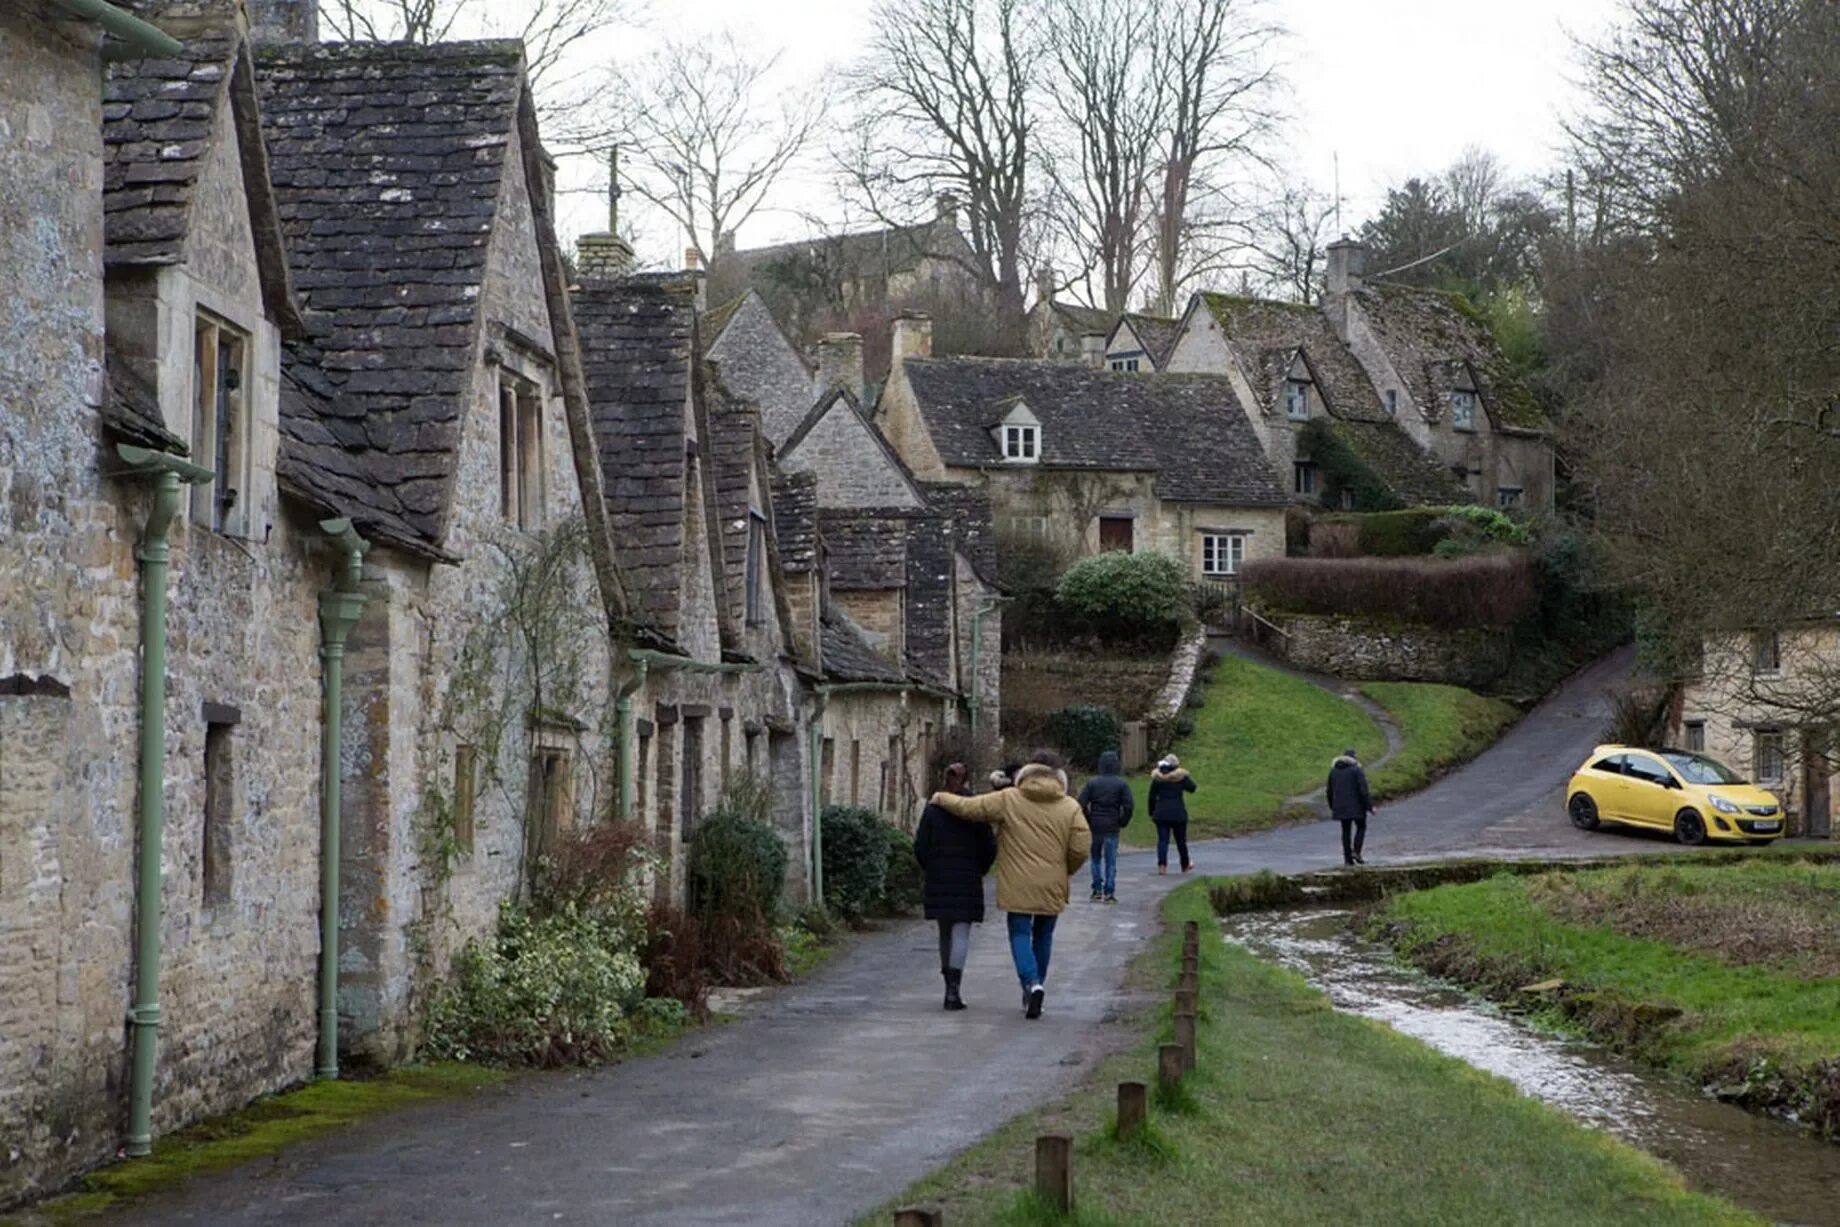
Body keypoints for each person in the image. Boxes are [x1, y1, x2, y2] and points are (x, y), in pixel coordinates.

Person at [928, 750, 1090, 1020]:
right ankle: (1036, 986)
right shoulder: (1070, 807)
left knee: (1019, 933)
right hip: (1052, 882)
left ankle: (1031, 984)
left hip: (1018, 882)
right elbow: (1081, 847)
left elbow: (972, 808)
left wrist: (941, 797)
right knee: (1044, 935)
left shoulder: (1009, 799)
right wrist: (1066, 870)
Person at [913, 763, 998, 1010]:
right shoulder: (976, 809)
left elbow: (921, 846)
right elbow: (989, 847)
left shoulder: (933, 809)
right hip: (967, 877)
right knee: (961, 930)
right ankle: (954, 990)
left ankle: (947, 984)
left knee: (945, 930)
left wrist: (931, 867)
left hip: (939, 876)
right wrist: (980, 869)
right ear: (967, 779)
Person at [1077, 751, 1134, 903]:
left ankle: (1096, 889)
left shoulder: (1092, 783)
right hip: (1112, 825)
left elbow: (1080, 804)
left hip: (1095, 825)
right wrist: (1123, 821)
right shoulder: (1121, 784)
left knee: (1095, 858)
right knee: (1111, 860)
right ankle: (1109, 891)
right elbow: (1129, 806)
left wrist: (1088, 819)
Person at [1147, 755, 1198, 875]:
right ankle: (1185, 865)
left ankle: (1162, 865)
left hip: (1161, 813)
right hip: (1178, 813)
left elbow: (1152, 797)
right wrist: (1185, 776)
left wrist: (1151, 811)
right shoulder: (1180, 778)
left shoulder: (1157, 778)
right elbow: (1192, 788)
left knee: (1163, 840)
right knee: (1181, 841)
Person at [1327, 748, 1376, 866]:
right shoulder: (1356, 770)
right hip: (1357, 806)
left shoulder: (1333, 772)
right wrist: (1370, 806)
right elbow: (1363, 790)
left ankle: (1347, 859)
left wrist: (1333, 806)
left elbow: (1329, 791)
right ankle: (1357, 851)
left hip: (1340, 807)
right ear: (1354, 758)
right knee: (1361, 826)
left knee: (1345, 831)